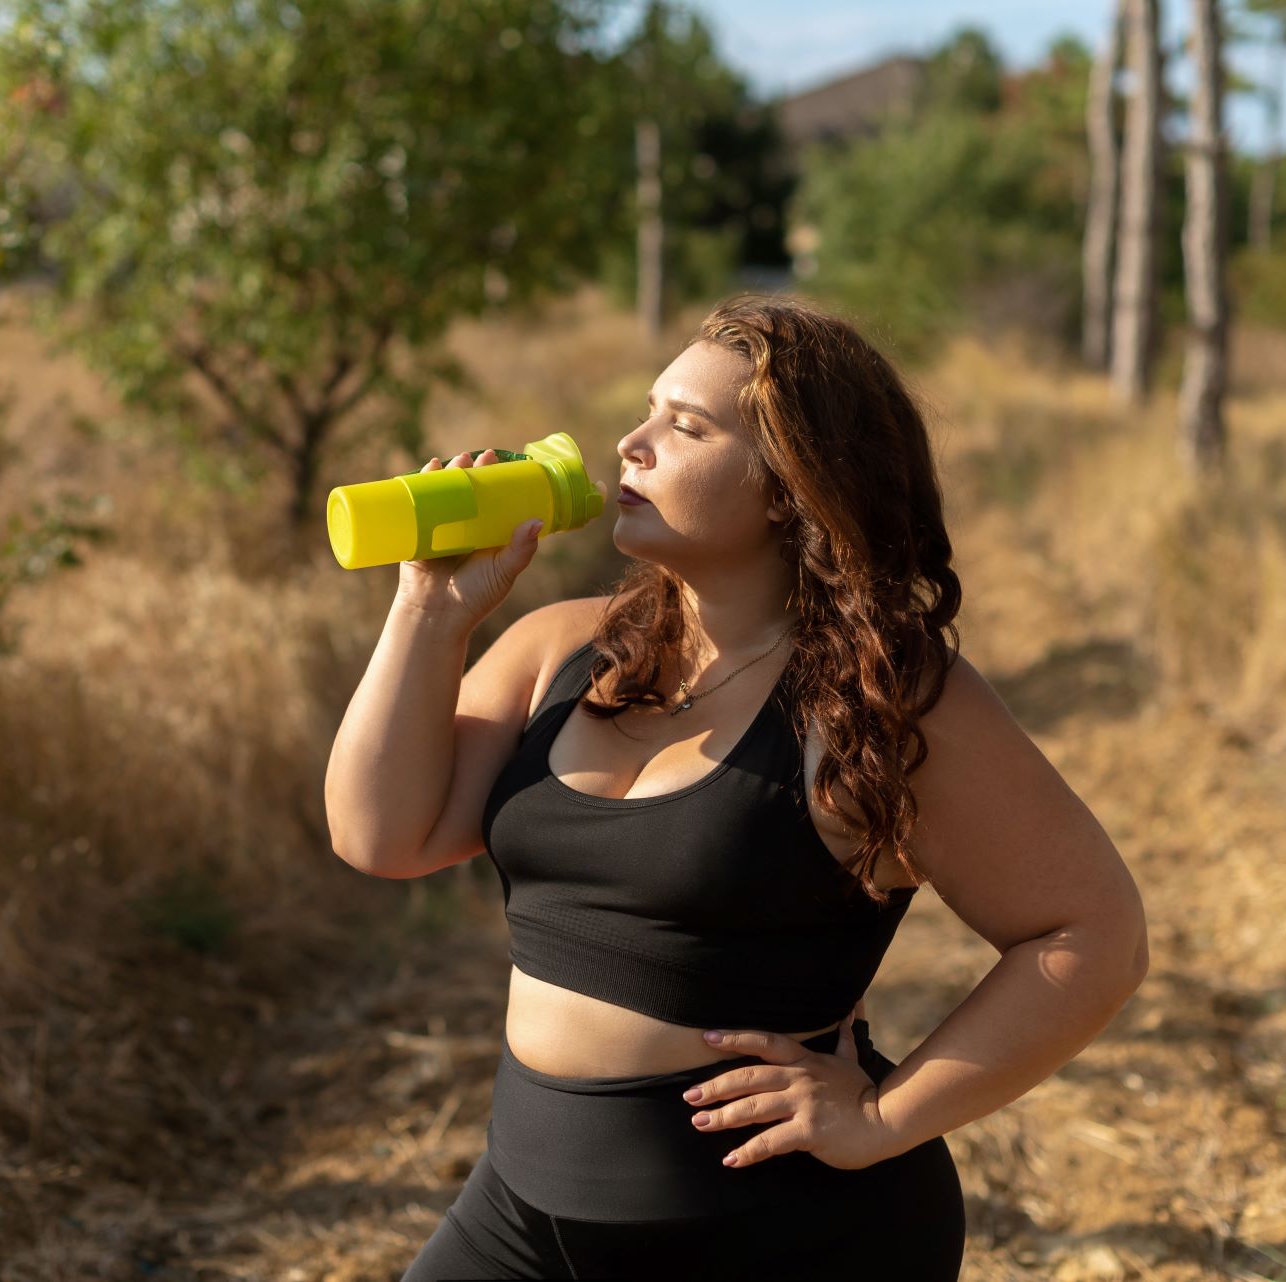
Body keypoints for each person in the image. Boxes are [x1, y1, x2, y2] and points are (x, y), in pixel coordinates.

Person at [323, 295, 1150, 1280]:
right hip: (518, 1208)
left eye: (686, 426)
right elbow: (382, 835)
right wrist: (429, 608)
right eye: (646, 410)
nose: (631, 444)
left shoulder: (882, 702)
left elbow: (1093, 933)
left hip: (769, 1231)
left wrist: (881, 1114)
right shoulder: (556, 646)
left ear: (787, 489)